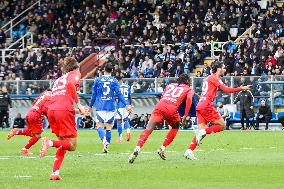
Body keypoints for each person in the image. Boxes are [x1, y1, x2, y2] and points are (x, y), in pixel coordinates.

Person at [184, 61, 250, 160]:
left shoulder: (210, 78)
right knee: (222, 125)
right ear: (218, 69)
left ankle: (189, 151)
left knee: (202, 132)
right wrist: (241, 88)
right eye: (223, 68)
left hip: (200, 106)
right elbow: (227, 90)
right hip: (206, 105)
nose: (225, 69)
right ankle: (201, 133)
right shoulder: (214, 78)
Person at [128, 73, 194, 163]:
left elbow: (163, 96)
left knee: (148, 129)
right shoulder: (188, 88)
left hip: (160, 105)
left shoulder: (170, 85)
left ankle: (137, 147)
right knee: (175, 127)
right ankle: (162, 148)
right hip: (172, 108)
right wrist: (185, 115)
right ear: (188, 81)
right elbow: (189, 99)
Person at [39, 57, 86, 180]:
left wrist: (74, 110)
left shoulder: (58, 80)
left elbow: (59, 97)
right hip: (63, 110)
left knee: (63, 144)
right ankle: (49, 142)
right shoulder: (75, 73)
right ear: (76, 67)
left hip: (52, 111)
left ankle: (55, 173)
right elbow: (71, 85)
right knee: (72, 146)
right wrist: (79, 105)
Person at [88, 62, 131, 153]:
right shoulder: (114, 80)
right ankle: (107, 144)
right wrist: (126, 104)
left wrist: (90, 106)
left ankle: (104, 141)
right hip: (111, 107)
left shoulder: (98, 80)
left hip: (100, 106)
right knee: (108, 128)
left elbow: (94, 94)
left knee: (99, 125)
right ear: (112, 71)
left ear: (104, 70)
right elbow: (119, 94)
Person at [7, 90, 51, 155]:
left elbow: (34, 103)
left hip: (30, 113)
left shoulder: (43, 94)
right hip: (36, 116)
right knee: (38, 135)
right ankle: (25, 149)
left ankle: (16, 132)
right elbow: (45, 109)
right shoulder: (51, 96)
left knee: (32, 133)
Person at [115, 76, 132, 142]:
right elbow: (130, 97)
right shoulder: (128, 86)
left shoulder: (117, 87)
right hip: (127, 105)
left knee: (119, 121)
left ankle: (120, 138)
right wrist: (130, 105)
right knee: (126, 120)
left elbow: (115, 97)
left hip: (120, 105)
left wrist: (116, 103)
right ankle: (128, 132)